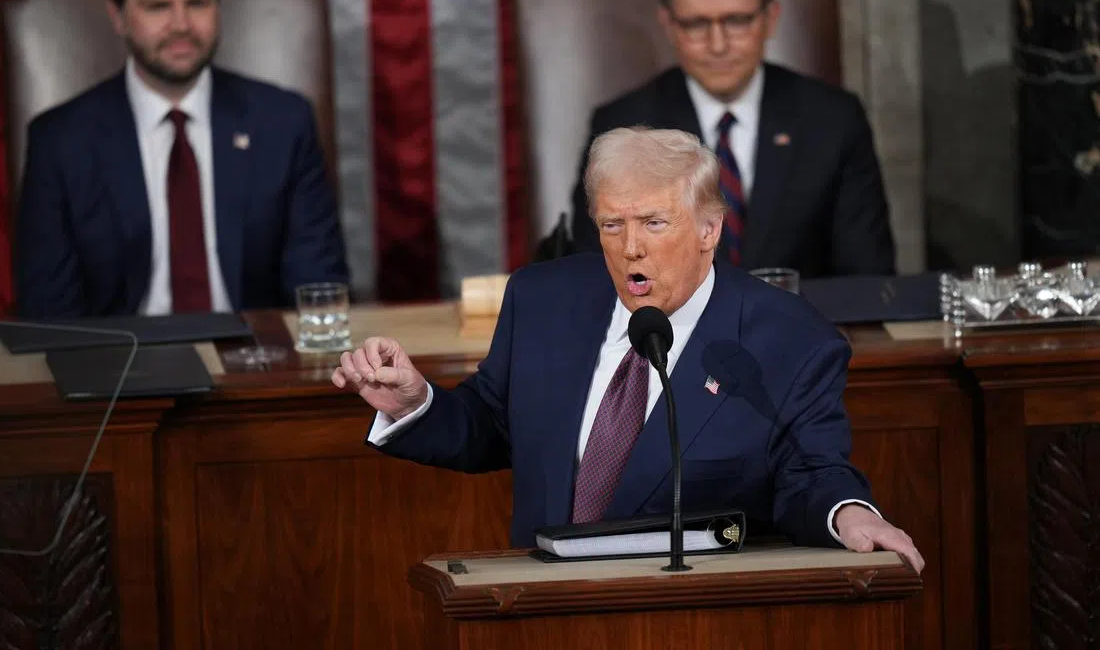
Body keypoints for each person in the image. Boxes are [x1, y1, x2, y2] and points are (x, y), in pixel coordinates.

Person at [333, 127, 923, 572]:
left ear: (708, 229)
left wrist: (849, 513)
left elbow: (812, 472)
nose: (631, 247)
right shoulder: (543, 299)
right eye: (612, 225)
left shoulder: (790, 339)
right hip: (540, 608)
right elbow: (493, 422)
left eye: (654, 223)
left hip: (695, 616)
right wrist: (415, 403)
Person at [14, 0, 348, 317]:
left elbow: (318, 293)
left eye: (197, 3)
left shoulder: (282, 122)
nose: (182, 25)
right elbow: (50, 314)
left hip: (257, 364)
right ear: (118, 16)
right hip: (121, 366)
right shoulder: (62, 140)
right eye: (158, 7)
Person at [568, 0, 895, 278]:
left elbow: (868, 279)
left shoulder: (832, 119)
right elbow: (597, 276)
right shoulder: (624, 127)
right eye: (696, 25)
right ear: (669, 26)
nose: (718, 45)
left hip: (800, 326)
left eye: (737, 21)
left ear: (770, 18)